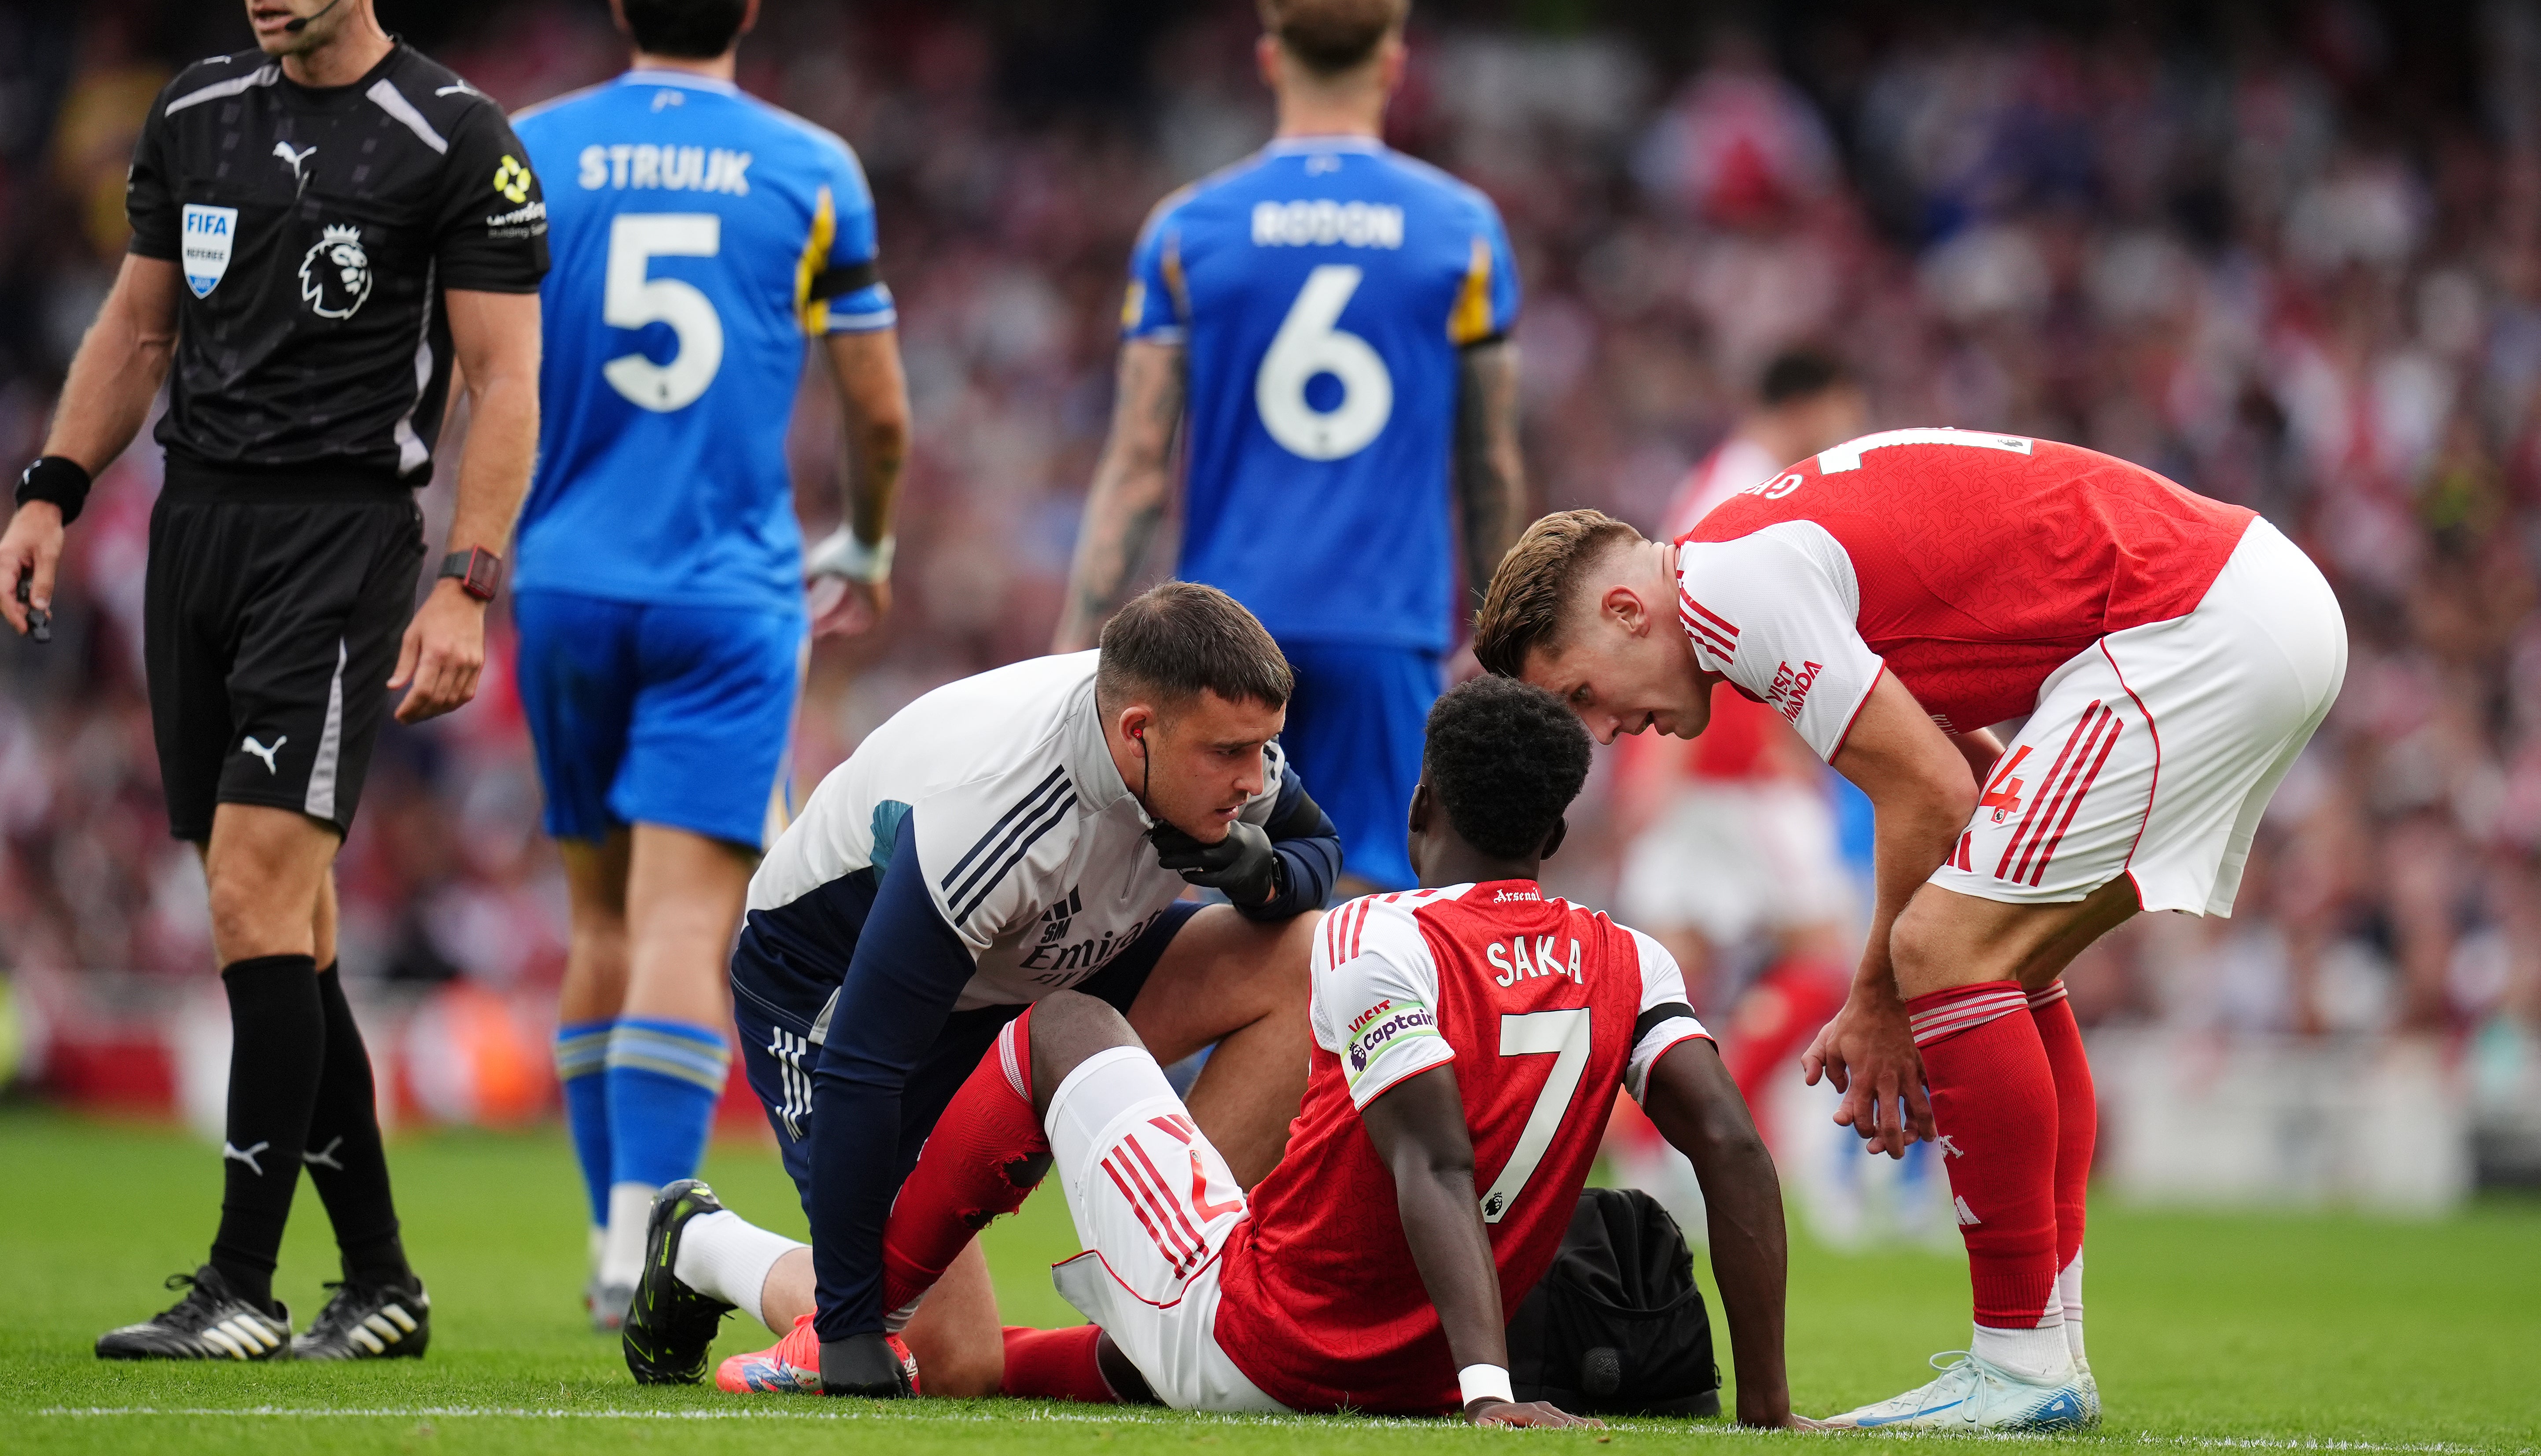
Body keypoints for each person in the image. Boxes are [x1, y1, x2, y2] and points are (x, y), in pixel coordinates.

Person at [1473, 430, 2348, 1430]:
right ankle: (2049, 1348)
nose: (1601, 730)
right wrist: (1928, 994)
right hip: (2239, 606)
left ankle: (2020, 1361)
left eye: (1583, 694)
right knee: (2004, 962)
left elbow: (1930, 795)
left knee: (1939, 946)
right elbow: (1959, 763)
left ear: (1627, 612)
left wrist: (1883, 998)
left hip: (2199, 624)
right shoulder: (1740, 565)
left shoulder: (1731, 593)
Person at [0, 0, 547, 1360]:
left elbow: (505, 381)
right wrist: (52, 487)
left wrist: (466, 583)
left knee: (253, 885)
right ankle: (381, 1281)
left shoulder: (458, 138)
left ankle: (240, 1284)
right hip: (197, 531)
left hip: (341, 539)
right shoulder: (194, 113)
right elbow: (138, 331)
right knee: (282, 925)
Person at [682, 677, 1802, 1424]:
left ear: (1421, 808)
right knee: (975, 1355)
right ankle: (969, 1287)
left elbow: (1433, 1159)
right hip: (1405, 1365)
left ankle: (754, 1269)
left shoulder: (1378, 936)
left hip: (1270, 1341)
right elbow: (1735, 1147)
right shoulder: (1631, 958)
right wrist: (1767, 1409)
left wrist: (1487, 1391)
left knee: (1063, 1023)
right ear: (1556, 834)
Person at [507, 0, 910, 1331]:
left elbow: (479, 368)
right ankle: (644, 1247)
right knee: (687, 918)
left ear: (619, 1)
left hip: (563, 576)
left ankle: (608, 1240)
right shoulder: (812, 167)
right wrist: (868, 542)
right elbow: (878, 409)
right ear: (749, 4)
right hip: (727, 593)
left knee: (597, 920)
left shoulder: (529, 151)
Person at [615, 582, 1340, 1396]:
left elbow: (1316, 845)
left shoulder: (1199, 729)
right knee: (952, 1364)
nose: (1253, 778)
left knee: (1306, 954)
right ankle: (702, 1245)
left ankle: (1187, 1284)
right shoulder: (1000, 805)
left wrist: (1266, 877)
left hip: (1030, 965)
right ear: (1137, 732)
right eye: (1229, 754)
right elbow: (864, 1064)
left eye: (1263, 747)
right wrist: (851, 1330)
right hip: (835, 996)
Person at [1054, 0, 1528, 897]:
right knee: (1370, 896)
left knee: (1210, 891)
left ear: (1270, 59)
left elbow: (1140, 463)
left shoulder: (1187, 229)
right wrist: (1512, 644)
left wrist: (1072, 649)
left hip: (1223, 630)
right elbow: (1491, 464)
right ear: (1392, 64)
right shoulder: (1462, 230)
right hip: (1383, 620)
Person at [1617, 349, 1864, 1108]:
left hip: (1699, 760)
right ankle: (1722, 1114)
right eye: (1846, 414)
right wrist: (1775, 744)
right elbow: (1695, 630)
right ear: (1813, 402)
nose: (1847, 433)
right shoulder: (1750, 493)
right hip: (1731, 767)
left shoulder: (1720, 481)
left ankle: (1636, 1137)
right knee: (1826, 960)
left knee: (1670, 970)